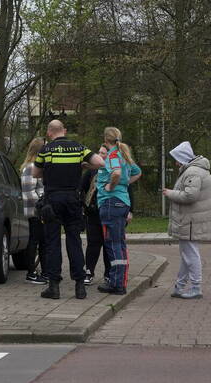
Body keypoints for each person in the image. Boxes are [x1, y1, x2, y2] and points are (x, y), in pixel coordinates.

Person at [32, 119, 104, 300]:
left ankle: (54, 287)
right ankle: (80, 287)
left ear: (49, 133)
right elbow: (100, 163)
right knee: (74, 241)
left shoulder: (45, 150)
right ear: (63, 131)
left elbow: (35, 173)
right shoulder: (78, 147)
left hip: (52, 200)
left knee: (52, 243)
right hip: (73, 199)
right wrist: (85, 166)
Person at [162, 140, 211, 299]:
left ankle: (196, 287)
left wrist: (170, 193)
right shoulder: (195, 170)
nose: (175, 162)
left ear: (183, 157)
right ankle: (180, 285)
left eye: (177, 158)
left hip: (190, 221)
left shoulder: (192, 172)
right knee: (187, 254)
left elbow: (190, 196)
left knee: (190, 254)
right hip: (190, 220)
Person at [96, 127, 141, 295]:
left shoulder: (113, 155)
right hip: (123, 202)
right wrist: (125, 184)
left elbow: (116, 173)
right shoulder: (125, 155)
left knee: (112, 244)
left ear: (106, 140)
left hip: (111, 203)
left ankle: (116, 284)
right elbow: (138, 173)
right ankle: (120, 281)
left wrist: (111, 185)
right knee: (120, 244)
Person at [20, 137, 48, 284]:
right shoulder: (31, 167)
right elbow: (29, 192)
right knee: (35, 241)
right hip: (35, 211)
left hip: (39, 210)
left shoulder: (35, 167)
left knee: (42, 241)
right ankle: (31, 272)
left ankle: (45, 271)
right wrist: (42, 206)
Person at [80, 147, 110, 285]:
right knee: (93, 242)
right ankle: (89, 271)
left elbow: (127, 189)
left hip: (109, 212)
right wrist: (83, 206)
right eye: (99, 152)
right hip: (93, 213)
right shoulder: (92, 171)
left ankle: (109, 273)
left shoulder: (114, 170)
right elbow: (81, 188)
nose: (100, 155)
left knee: (108, 243)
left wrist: (130, 210)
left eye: (103, 153)